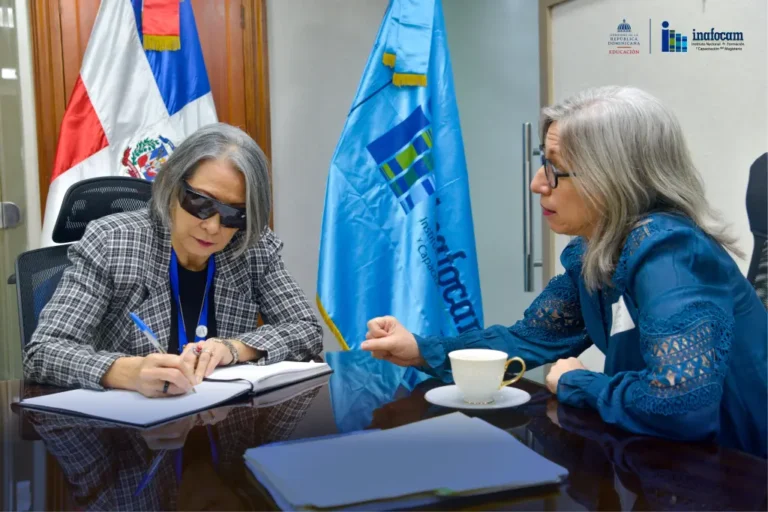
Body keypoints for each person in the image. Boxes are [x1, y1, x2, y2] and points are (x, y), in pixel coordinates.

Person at [362, 86, 768, 456]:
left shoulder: (672, 254)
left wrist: (578, 383)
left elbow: (681, 405)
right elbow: (529, 340)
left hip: (739, 472)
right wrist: (421, 349)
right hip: (661, 461)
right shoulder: (595, 250)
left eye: (555, 169)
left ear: (613, 177)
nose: (538, 183)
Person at [24, 123, 323, 397]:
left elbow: (306, 330)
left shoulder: (253, 247)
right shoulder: (112, 242)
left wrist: (235, 348)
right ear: (171, 188)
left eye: (235, 214)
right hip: (130, 435)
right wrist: (128, 372)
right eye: (201, 203)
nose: (213, 227)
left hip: (220, 423)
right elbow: (43, 352)